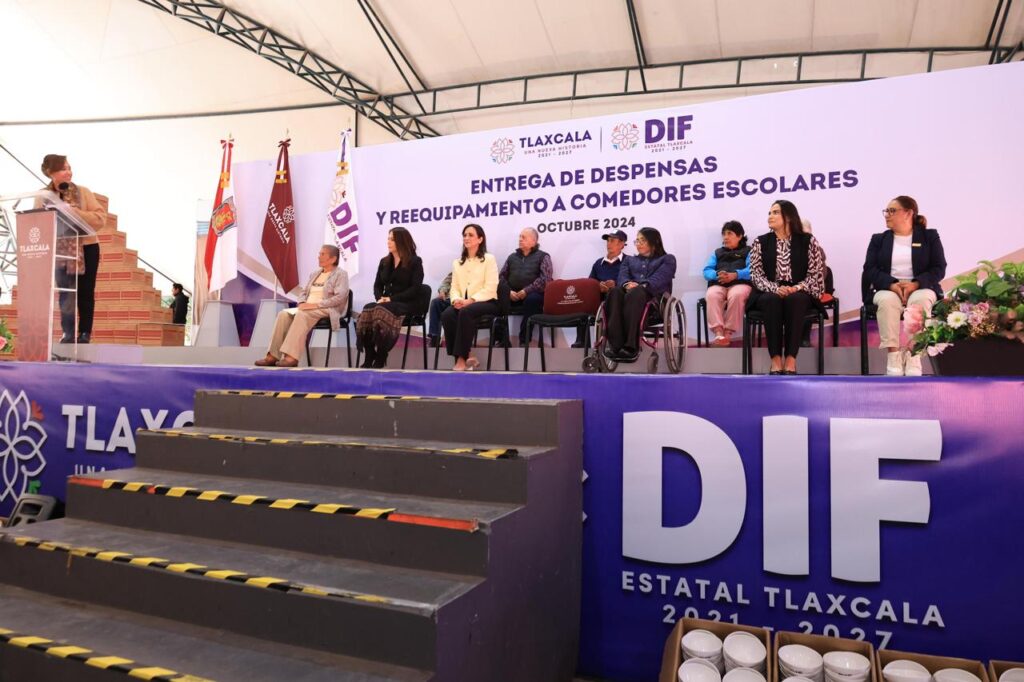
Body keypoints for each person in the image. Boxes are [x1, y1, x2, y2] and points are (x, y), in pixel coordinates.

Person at [862, 195, 946, 376]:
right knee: (887, 301)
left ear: (908, 213)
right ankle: (893, 357)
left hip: (921, 287)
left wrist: (916, 284)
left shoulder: (929, 236)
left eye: (892, 211)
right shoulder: (879, 239)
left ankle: (914, 355)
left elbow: (939, 268)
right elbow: (870, 269)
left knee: (920, 300)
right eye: (886, 211)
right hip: (887, 288)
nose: (887, 215)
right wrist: (891, 284)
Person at [747, 200, 826, 375]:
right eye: (769, 212)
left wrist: (797, 287)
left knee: (795, 300)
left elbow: (816, 273)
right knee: (771, 300)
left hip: (799, 290)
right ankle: (775, 360)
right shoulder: (760, 242)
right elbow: (756, 274)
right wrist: (775, 288)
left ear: (788, 217)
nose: (770, 216)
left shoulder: (808, 240)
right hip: (769, 290)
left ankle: (791, 359)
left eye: (775, 212)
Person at [37, 154, 106, 344]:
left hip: (87, 248)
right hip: (58, 250)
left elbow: (100, 218)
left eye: (69, 168)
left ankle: (84, 333)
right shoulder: (43, 196)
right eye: (63, 169)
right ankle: (67, 332)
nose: (68, 172)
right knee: (65, 292)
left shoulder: (83, 192)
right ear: (50, 173)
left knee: (85, 291)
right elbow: (36, 222)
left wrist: (73, 212)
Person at [255, 244, 349, 367]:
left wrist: (315, 305)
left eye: (322, 254)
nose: (319, 257)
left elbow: (340, 297)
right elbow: (303, 292)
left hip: (327, 308)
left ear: (333, 259)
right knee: (283, 314)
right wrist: (302, 303)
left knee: (301, 315)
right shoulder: (315, 273)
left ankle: (291, 357)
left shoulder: (341, 274)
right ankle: (272, 356)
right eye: (319, 254)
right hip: (308, 308)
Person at [604, 227, 676, 361]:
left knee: (637, 292)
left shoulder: (667, 259)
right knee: (614, 291)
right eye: (637, 241)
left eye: (643, 240)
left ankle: (631, 346)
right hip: (629, 299)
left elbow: (660, 279)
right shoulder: (629, 260)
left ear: (654, 241)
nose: (639, 244)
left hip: (653, 304)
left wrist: (641, 286)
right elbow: (622, 277)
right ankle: (615, 346)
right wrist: (626, 284)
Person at [356, 226, 424, 368]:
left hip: (407, 303)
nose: (388, 242)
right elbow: (377, 285)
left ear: (402, 241)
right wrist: (380, 298)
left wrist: (391, 299)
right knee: (368, 309)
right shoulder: (384, 262)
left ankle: (381, 355)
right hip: (386, 303)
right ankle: (370, 354)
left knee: (381, 309)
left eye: (392, 239)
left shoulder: (415, 261)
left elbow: (415, 289)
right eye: (388, 238)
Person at [440, 223, 499, 371]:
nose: (466, 238)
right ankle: (466, 355)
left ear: (480, 239)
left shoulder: (489, 259)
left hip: (486, 302)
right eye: (465, 235)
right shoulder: (457, 263)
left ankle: (461, 359)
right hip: (464, 303)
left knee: (466, 312)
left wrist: (471, 300)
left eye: (471, 235)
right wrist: (456, 300)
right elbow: (454, 287)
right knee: (447, 314)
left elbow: (491, 288)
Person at [497, 227, 552, 346]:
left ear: (534, 241)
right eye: (520, 237)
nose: (520, 239)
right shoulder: (512, 257)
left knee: (532, 299)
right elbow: (501, 277)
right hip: (512, 294)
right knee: (497, 298)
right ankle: (502, 339)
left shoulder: (543, 256)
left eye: (524, 237)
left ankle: (524, 339)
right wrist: (508, 292)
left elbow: (545, 279)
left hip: (533, 294)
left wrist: (526, 291)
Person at [702, 221, 752, 347]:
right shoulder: (717, 252)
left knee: (737, 294)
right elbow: (707, 271)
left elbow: (752, 270)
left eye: (729, 233)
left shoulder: (748, 251)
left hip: (740, 283)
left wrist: (736, 274)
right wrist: (717, 274)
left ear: (740, 236)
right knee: (712, 294)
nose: (725, 237)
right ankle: (719, 333)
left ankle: (728, 333)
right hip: (719, 283)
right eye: (724, 234)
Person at [579, 229, 628, 347]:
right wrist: (598, 285)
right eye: (608, 241)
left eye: (613, 241)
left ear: (622, 244)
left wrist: (616, 284)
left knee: (615, 294)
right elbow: (590, 282)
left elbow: (632, 282)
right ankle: (581, 342)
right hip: (599, 297)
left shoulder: (629, 261)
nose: (609, 244)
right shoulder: (598, 263)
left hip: (619, 297)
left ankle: (614, 343)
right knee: (582, 300)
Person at [427, 272, 452, 347]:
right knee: (435, 302)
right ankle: (435, 337)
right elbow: (446, 283)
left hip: (464, 301)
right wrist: (442, 291)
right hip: (449, 299)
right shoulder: (457, 267)